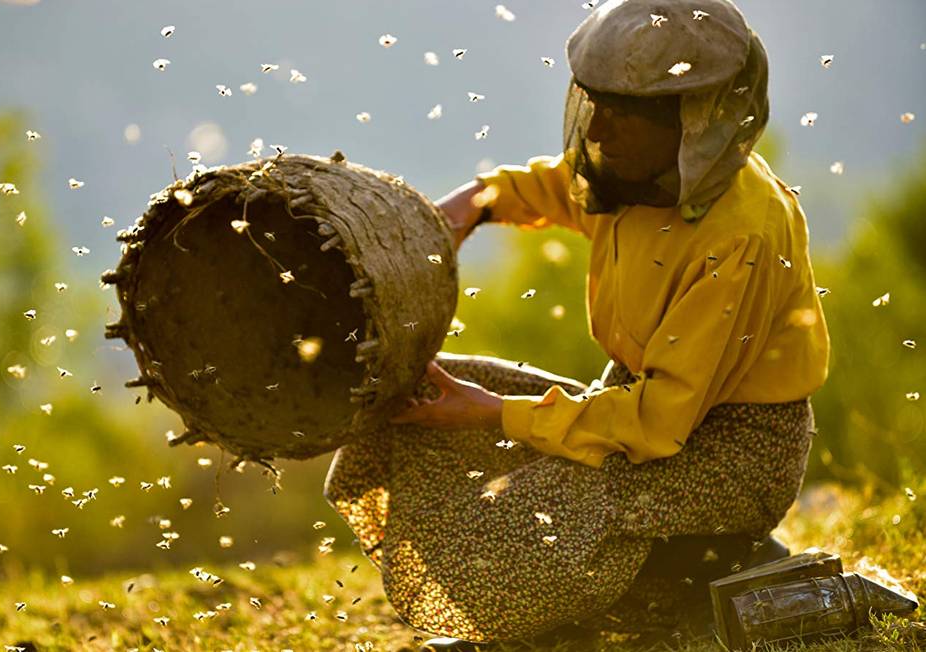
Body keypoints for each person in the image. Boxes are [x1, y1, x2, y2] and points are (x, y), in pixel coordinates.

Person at [323, 0, 830, 649]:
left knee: (534, 509)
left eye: (623, 117)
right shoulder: (634, 173)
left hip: (732, 454)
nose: (599, 133)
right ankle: (654, 576)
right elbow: (550, 186)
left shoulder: (742, 236)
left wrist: (490, 413)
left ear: (693, 122)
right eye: (597, 107)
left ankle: (705, 564)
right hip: (636, 410)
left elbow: (655, 423)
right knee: (425, 402)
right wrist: (464, 210)